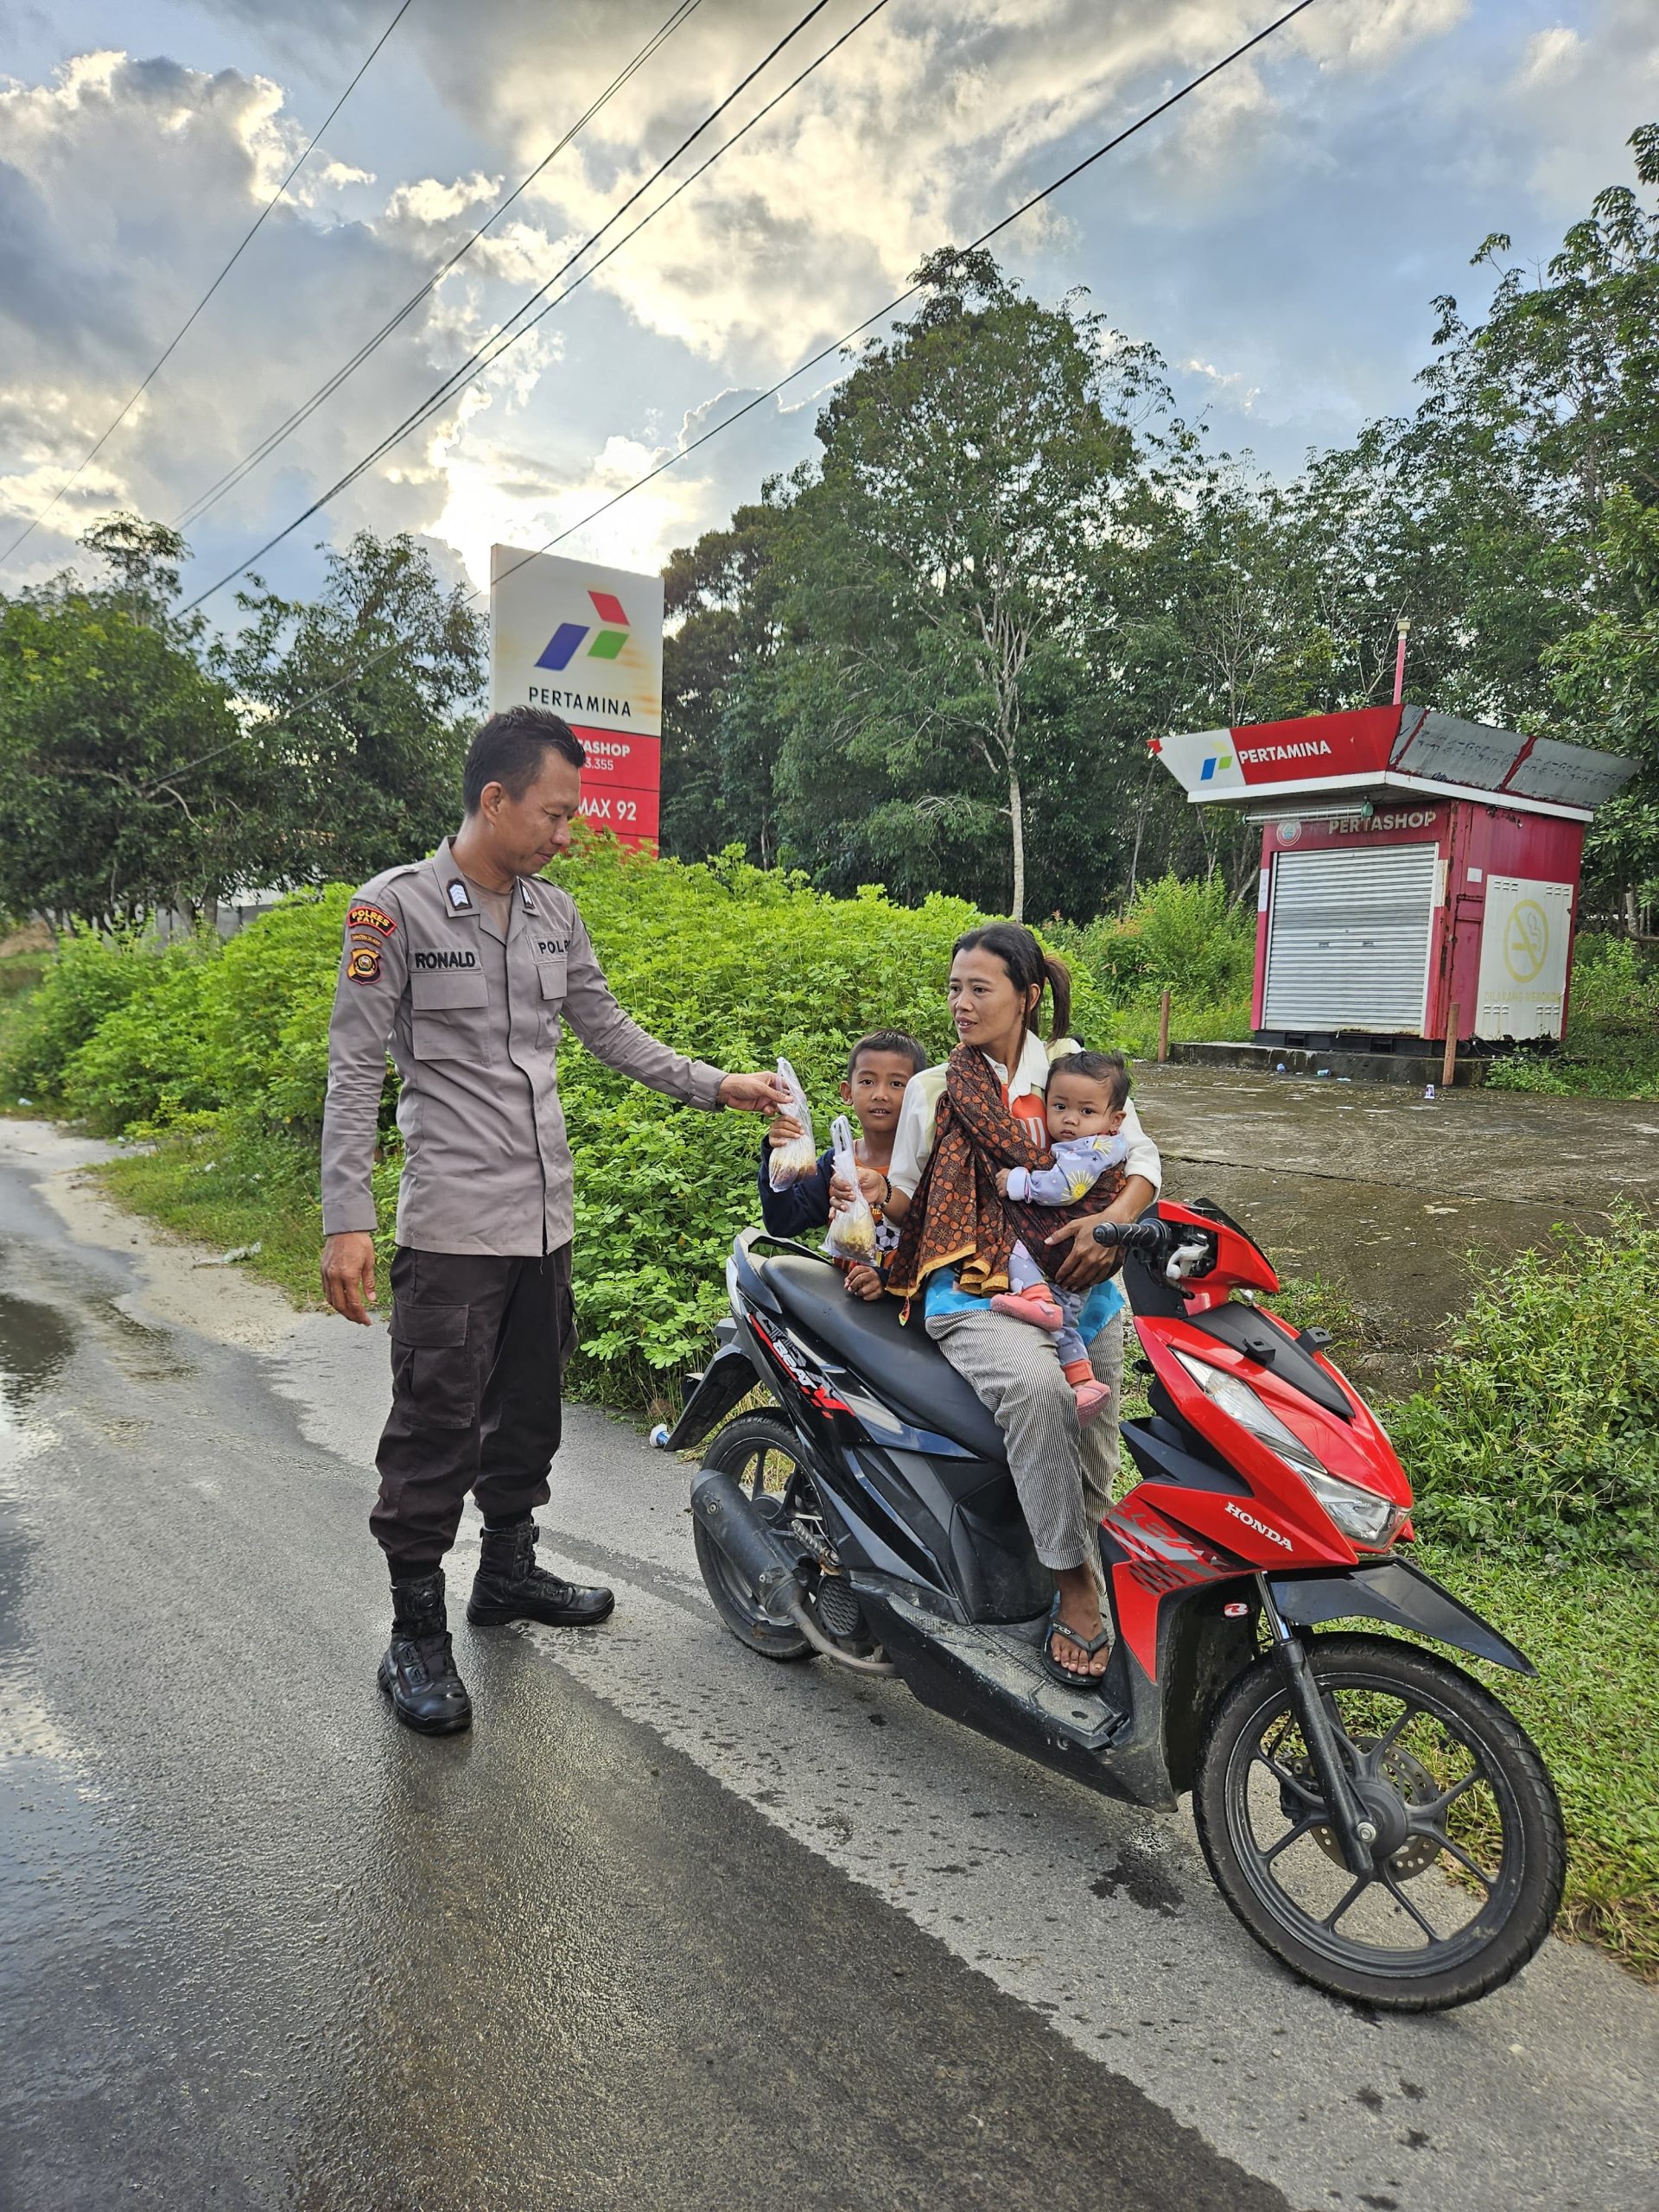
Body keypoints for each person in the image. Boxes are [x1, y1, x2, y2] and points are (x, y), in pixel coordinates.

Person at [320, 705, 784, 1736]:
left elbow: (607, 1029)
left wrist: (719, 1085)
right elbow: (354, 1071)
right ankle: (416, 1634)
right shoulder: (390, 912)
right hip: (449, 1230)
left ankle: (508, 1573)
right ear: (496, 800)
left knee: (528, 1411)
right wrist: (345, 1215)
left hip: (542, 1222)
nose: (567, 834)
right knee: (435, 1428)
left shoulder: (553, 913)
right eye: (556, 813)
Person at [835, 925, 1160, 1691]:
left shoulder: (1072, 1069)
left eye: (979, 989)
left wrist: (1110, 1227)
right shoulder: (935, 1088)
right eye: (954, 988)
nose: (961, 1004)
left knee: (1094, 1450)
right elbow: (909, 1193)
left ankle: (1064, 1576)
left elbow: (1138, 1157)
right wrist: (878, 1207)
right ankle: (1077, 1594)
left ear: (1028, 996)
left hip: (1081, 1286)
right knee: (1040, 1393)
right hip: (969, 1287)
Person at [989, 1050, 1132, 1427]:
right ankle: (1083, 1383)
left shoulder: (1088, 1150)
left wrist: (1017, 1181)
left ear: (1114, 1120)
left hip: (1069, 1241)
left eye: (1086, 1112)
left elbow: (1062, 1188)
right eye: (1059, 1106)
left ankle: (1035, 1298)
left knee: (1017, 1248)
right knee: (1066, 1320)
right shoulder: (1102, 1144)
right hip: (1081, 1252)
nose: (1070, 1119)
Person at [758, 1030, 926, 1300]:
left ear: (919, 1096)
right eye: (868, 1081)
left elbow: (941, 1246)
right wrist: (777, 1158)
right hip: (847, 1311)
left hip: (911, 1314)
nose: (880, 1094)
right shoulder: (837, 1162)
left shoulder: (929, 1164)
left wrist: (886, 1280)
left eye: (897, 1084)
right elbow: (784, 1222)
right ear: (848, 1092)